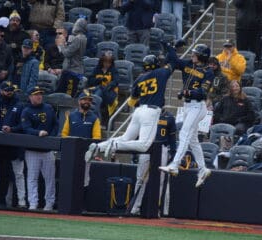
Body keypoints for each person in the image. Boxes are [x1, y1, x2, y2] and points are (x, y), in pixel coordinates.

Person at [84, 55, 172, 161]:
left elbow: (131, 102)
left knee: (125, 138)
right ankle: (115, 145)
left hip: (139, 111)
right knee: (144, 145)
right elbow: (172, 63)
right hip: (151, 111)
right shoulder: (160, 72)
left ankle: (99, 147)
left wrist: (145, 97)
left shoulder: (139, 78)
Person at [159, 43, 214, 188]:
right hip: (188, 106)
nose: (192, 55)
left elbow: (203, 92)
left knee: (184, 133)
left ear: (202, 56)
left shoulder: (208, 71)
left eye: (195, 53)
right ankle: (202, 169)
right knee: (193, 140)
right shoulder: (188, 64)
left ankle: (175, 165)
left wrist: (186, 92)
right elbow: (175, 60)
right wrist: (170, 47)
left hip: (198, 106)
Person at [130, 109, 177, 216]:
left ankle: (156, 208)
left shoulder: (169, 117)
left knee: (159, 181)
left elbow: (172, 137)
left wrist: (173, 154)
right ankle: (135, 207)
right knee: (141, 178)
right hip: (146, 146)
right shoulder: (145, 114)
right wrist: (134, 152)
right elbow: (137, 134)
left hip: (162, 148)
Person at [21, 86, 59, 211]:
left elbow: (55, 124)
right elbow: (26, 128)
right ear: (30, 97)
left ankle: (49, 204)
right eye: (36, 94)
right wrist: (38, 133)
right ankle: (33, 204)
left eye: (40, 94)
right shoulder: (26, 111)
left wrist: (51, 138)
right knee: (32, 178)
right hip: (32, 150)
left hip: (47, 150)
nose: (39, 96)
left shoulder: (48, 108)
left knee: (50, 179)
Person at [0, 81, 25, 208]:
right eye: (7, 90)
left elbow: (23, 125)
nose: (9, 92)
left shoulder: (19, 105)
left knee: (6, 173)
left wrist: (12, 129)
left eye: (11, 90)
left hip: (9, 145)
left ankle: (1, 201)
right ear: (1, 90)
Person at [61, 90, 102, 188]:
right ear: (79, 101)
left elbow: (97, 137)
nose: (87, 102)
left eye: (89, 100)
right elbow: (64, 134)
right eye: (84, 100)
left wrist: (94, 153)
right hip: (72, 154)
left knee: (85, 180)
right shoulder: (71, 116)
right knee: (70, 179)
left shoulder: (94, 118)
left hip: (86, 155)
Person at [56, 18, 87, 97]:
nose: (74, 26)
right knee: (60, 92)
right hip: (70, 70)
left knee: (68, 95)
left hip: (73, 71)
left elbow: (67, 53)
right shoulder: (83, 37)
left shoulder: (78, 39)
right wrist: (66, 44)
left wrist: (61, 44)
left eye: (76, 24)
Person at [88, 51, 119, 124]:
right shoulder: (96, 69)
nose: (107, 64)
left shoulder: (114, 70)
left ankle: (94, 104)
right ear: (102, 61)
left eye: (109, 62)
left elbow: (116, 81)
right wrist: (99, 79)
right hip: (97, 89)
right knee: (98, 90)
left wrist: (109, 85)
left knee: (101, 91)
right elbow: (90, 81)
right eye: (105, 62)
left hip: (110, 91)